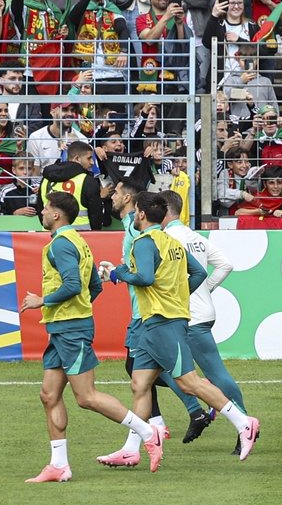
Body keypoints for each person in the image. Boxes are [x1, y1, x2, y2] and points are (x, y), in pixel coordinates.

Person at [102, 193, 258, 464]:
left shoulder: (144, 242)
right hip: (157, 321)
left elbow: (145, 278)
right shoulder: (170, 242)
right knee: (140, 384)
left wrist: (118, 275)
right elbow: (198, 273)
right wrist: (178, 294)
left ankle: (244, 423)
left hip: (162, 322)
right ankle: (131, 448)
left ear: (140, 214)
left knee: (189, 382)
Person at [15, 191, 153, 481]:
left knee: (86, 397)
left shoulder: (61, 245)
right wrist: (77, 309)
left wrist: (43, 300)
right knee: (49, 395)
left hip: (70, 328)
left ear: (56, 215)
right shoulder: (79, 241)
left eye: (45, 209)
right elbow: (94, 287)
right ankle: (59, 466)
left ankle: (147, 431)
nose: (41, 213)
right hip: (63, 327)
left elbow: (73, 284)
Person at [161, 189, 248, 445]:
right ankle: (198, 409)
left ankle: (244, 425)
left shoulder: (166, 238)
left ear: (164, 210)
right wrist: (205, 289)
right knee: (157, 367)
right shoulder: (194, 237)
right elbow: (225, 264)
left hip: (189, 317)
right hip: (200, 311)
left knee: (214, 373)